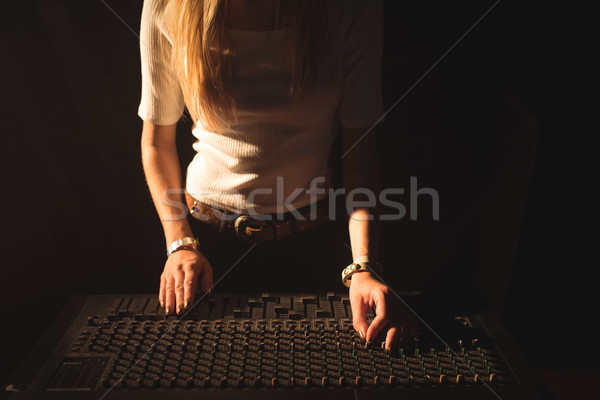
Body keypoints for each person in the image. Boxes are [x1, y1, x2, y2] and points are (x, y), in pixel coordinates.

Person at [137, 0, 417, 349]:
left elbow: (360, 155)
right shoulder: (167, 6)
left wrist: (364, 266)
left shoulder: (350, 8)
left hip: (316, 249)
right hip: (202, 253)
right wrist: (178, 242)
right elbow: (156, 145)